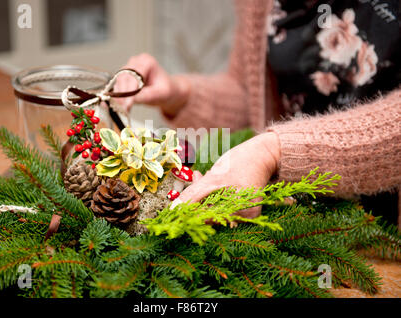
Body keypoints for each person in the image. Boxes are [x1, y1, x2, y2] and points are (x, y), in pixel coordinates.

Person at [115, 0, 401, 225]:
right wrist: (179, 95)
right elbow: (249, 95)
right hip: (297, 222)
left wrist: (273, 150)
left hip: (384, 230)